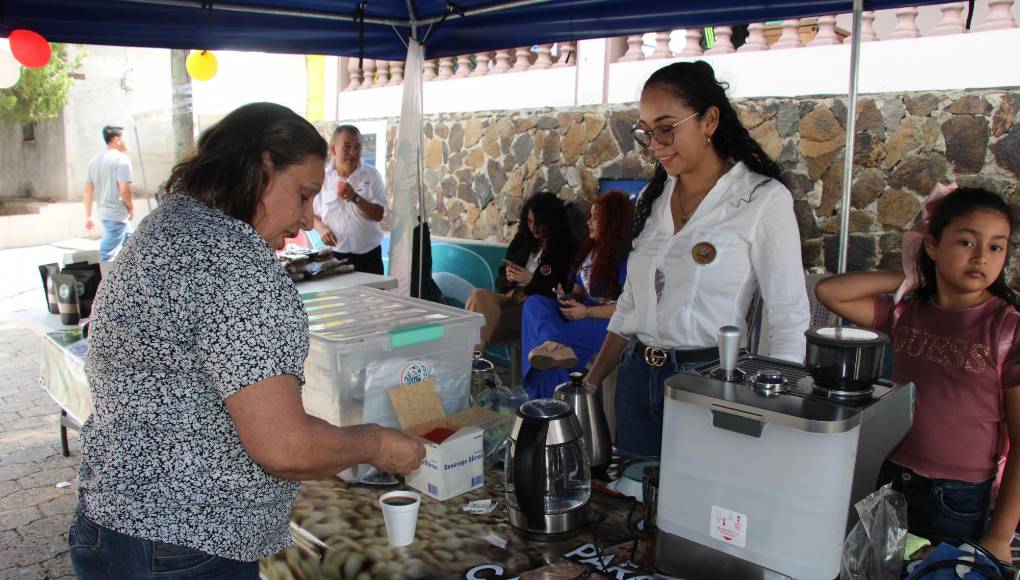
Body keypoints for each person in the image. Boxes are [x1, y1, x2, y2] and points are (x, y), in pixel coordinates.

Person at [70, 103, 425, 579]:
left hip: (111, 521)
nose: (305, 219)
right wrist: (376, 443)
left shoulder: (167, 225)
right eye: (301, 195)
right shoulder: (235, 263)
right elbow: (285, 448)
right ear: (260, 167)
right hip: (186, 542)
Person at [583, 61, 810, 457]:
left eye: (667, 128)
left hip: (708, 382)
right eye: (647, 132)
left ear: (709, 121)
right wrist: (590, 382)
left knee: (696, 506)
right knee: (637, 498)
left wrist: (771, 409)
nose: (655, 144)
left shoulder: (761, 199)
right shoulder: (653, 201)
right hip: (637, 376)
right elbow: (630, 305)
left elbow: (788, 315)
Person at [815, 187, 1020, 562]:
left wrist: (1000, 535)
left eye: (996, 247)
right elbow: (831, 293)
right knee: (876, 568)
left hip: (958, 497)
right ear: (932, 246)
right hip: (892, 476)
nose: (981, 257)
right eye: (966, 242)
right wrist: (912, 276)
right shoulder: (907, 313)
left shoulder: (1007, 328)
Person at [521, 190, 633, 399]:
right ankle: (551, 345)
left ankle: (550, 401)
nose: (589, 222)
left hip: (605, 322)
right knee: (535, 303)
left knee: (551, 362)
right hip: (580, 315)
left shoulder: (626, 259)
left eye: (596, 218)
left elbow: (628, 307)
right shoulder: (591, 252)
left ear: (612, 222)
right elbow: (578, 294)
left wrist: (587, 311)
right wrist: (567, 299)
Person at [465, 191, 576, 351]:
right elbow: (500, 280)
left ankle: (473, 355)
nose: (534, 229)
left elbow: (563, 291)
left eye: (539, 223)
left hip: (536, 303)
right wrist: (509, 278)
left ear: (552, 221)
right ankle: (474, 355)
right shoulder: (523, 239)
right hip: (510, 296)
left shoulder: (565, 248)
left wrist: (532, 280)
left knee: (483, 322)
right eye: (530, 222)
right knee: (478, 296)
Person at [312, 124, 388, 274]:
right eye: (346, 147)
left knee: (374, 297)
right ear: (334, 149)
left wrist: (355, 197)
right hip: (335, 255)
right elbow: (310, 213)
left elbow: (378, 214)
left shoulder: (372, 175)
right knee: (338, 298)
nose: (352, 152)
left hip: (369, 255)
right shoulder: (322, 178)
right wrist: (321, 229)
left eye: (357, 147)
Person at [84, 125, 134, 262]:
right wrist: (130, 207)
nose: (127, 141)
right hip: (117, 213)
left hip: (106, 213)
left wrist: (88, 216)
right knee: (107, 255)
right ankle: (104, 282)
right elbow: (124, 189)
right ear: (116, 139)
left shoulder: (94, 161)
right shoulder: (122, 159)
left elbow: (88, 190)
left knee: (133, 247)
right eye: (125, 138)